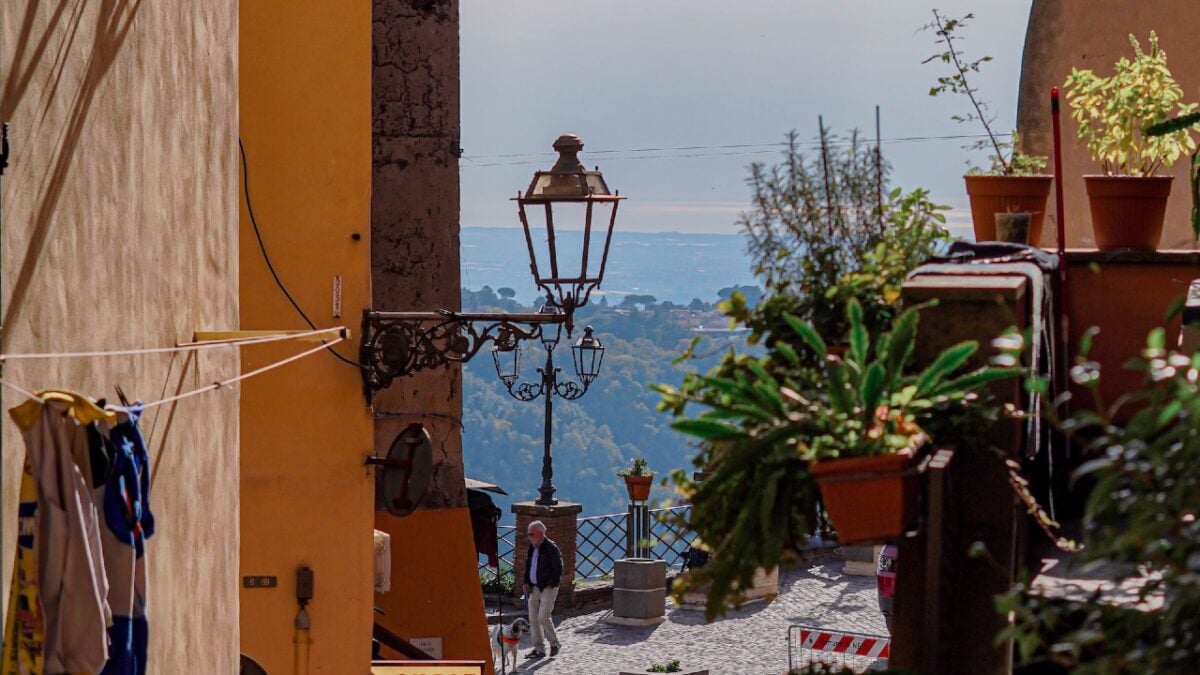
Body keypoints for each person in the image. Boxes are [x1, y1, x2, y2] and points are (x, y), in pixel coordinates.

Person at [522, 520, 563, 659]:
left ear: (540, 534)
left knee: (543, 616)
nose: (529, 537)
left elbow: (558, 568)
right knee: (533, 618)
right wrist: (526, 581)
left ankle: (554, 644)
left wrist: (551, 584)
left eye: (531, 534)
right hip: (534, 587)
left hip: (547, 587)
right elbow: (528, 566)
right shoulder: (532, 547)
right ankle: (539, 649)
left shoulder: (551, 548)